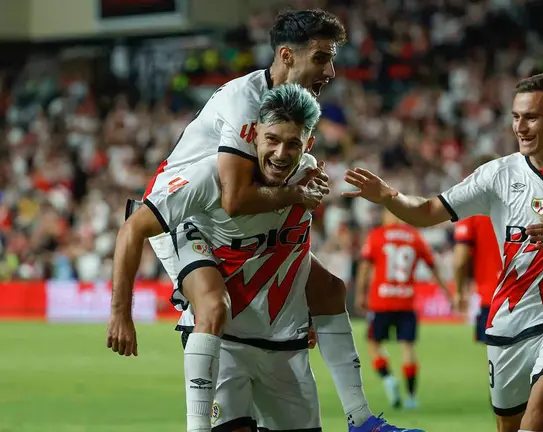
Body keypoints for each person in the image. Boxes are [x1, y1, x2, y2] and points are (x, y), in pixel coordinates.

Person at [107, 10, 399, 432]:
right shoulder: (244, 102)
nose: (331, 72)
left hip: (231, 219)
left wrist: (294, 303)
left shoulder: (290, 108)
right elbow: (235, 198)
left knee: (328, 289)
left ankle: (362, 419)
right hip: (185, 217)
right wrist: (121, 313)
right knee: (213, 306)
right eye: (321, 58)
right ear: (286, 56)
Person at [342, 72, 543, 432]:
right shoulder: (497, 174)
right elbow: (427, 212)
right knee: (508, 427)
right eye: (516, 117)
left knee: (538, 419)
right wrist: (390, 197)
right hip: (509, 319)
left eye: (531, 117)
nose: (520, 127)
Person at [354, 208, 446, 410]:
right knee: (408, 348)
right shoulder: (415, 237)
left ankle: (388, 379)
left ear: (387, 216)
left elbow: (365, 268)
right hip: (406, 300)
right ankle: (411, 397)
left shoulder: (377, 236)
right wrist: (447, 291)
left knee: (373, 343)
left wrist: (360, 294)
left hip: (381, 301)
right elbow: (433, 266)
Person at [452, 153, 501, 342]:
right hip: (528, 296)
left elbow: (460, 259)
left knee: (496, 357)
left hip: (492, 297)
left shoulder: (471, 210)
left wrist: (459, 291)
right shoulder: (522, 202)